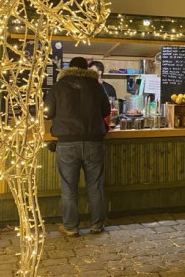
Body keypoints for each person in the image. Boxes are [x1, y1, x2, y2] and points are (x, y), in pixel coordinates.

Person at [44, 56, 110, 236]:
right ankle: (97, 225)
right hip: (93, 142)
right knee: (95, 186)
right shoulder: (96, 86)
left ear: (68, 68)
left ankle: (71, 228)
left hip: (67, 143)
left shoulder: (59, 86)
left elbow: (47, 113)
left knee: (68, 187)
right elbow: (106, 111)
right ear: (86, 68)